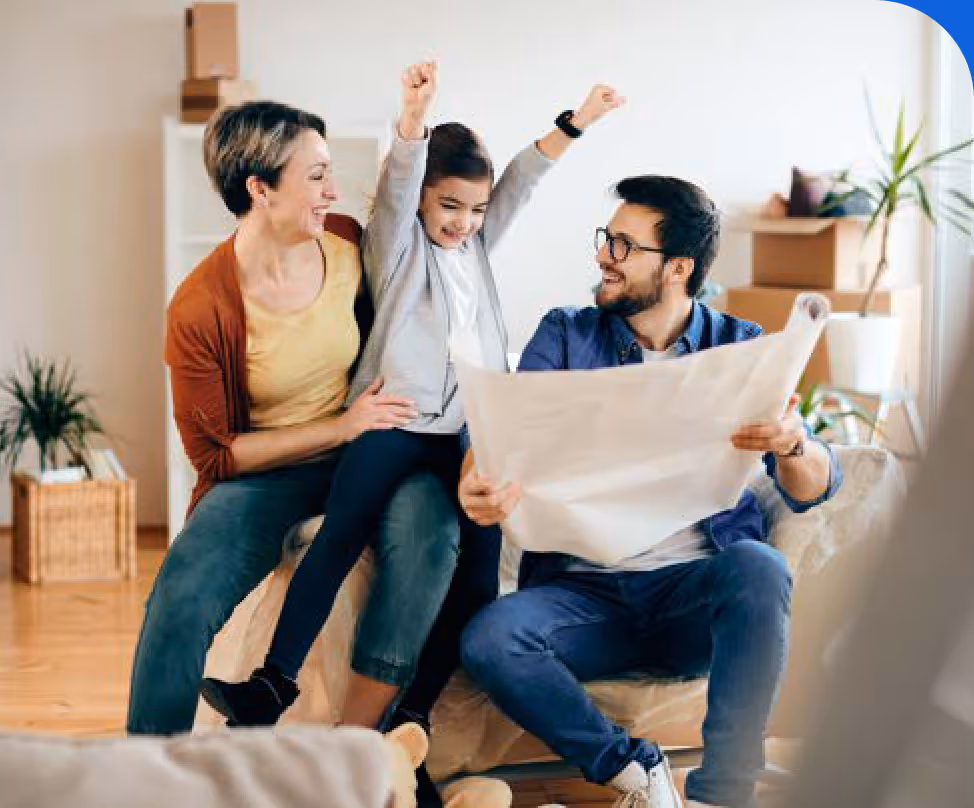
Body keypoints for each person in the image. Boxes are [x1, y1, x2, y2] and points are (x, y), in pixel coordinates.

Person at [200, 61, 625, 743]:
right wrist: (413, 117)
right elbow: (400, 180)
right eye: (449, 205)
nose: (464, 222)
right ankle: (271, 685)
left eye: (476, 209)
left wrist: (578, 121)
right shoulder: (395, 247)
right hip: (397, 421)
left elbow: (522, 179)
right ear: (423, 198)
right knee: (339, 537)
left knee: (479, 580)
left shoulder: (477, 244)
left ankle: (415, 713)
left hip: (470, 433)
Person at [456, 175, 843, 808]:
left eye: (624, 246)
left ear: (678, 268)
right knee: (491, 639)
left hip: (692, 597)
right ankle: (635, 772)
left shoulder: (738, 346)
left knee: (760, 565)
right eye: (607, 238)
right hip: (585, 597)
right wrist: (479, 478)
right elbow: (505, 431)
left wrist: (793, 443)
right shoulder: (566, 335)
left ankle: (723, 796)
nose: (603, 256)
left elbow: (811, 489)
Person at [128, 100, 461, 735]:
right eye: (315, 175)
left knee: (431, 534)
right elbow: (216, 454)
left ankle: (366, 738)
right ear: (260, 189)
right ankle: (151, 767)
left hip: (375, 452)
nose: (333, 190)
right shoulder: (200, 308)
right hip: (269, 472)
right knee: (181, 594)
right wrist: (340, 427)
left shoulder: (345, 241)